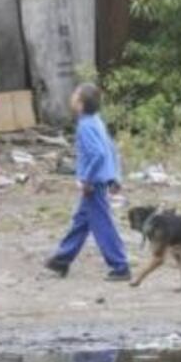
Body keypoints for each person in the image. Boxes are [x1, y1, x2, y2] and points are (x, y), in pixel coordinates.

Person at [44, 84, 131, 281]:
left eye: (75, 95)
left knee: (102, 224)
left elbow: (99, 153)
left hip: (94, 183)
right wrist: (115, 176)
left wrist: (87, 179)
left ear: (80, 104)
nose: (71, 97)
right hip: (100, 180)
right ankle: (61, 260)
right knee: (81, 222)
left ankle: (120, 266)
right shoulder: (95, 121)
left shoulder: (85, 126)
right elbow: (111, 148)